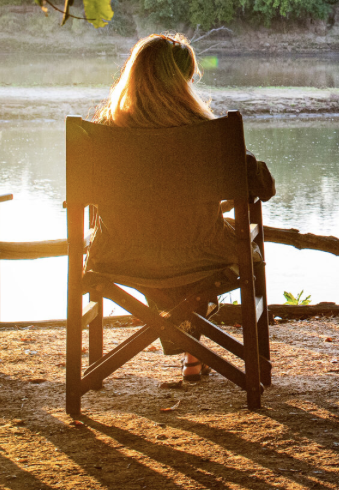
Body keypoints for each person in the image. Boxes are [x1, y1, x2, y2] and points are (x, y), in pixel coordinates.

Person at [85, 32, 275, 387]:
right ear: (185, 81)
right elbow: (264, 187)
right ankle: (195, 351)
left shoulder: (100, 135)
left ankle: (186, 352)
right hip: (199, 253)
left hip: (119, 252)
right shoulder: (212, 135)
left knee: (174, 242)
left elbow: (85, 200)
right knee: (201, 244)